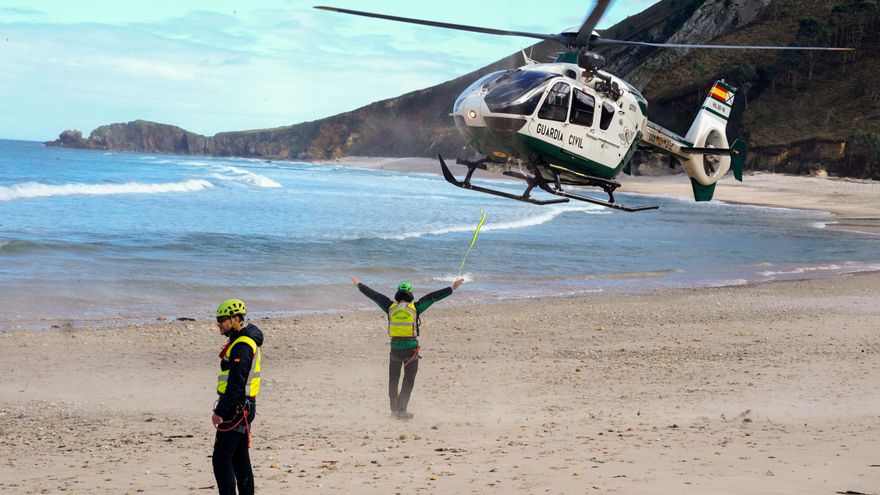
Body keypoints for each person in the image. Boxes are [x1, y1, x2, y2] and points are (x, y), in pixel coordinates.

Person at [352, 276, 464, 419]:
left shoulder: (389, 306)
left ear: (398, 294)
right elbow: (433, 297)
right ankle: (402, 410)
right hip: (411, 350)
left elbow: (374, 296)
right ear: (411, 294)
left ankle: (394, 410)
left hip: (395, 349)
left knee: (393, 380)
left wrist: (359, 285)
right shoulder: (416, 308)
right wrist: (452, 288)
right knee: (408, 380)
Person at [211, 298, 263, 495]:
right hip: (243, 406)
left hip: (237, 408)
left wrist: (220, 411)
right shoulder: (239, 341)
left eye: (222, 319)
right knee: (240, 458)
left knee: (221, 457)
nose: (219, 323)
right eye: (218, 319)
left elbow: (236, 383)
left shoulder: (242, 345)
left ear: (236, 319)